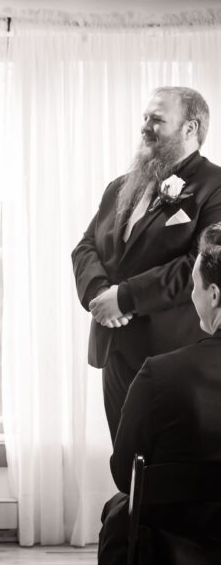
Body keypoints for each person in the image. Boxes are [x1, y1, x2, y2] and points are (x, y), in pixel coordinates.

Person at [73, 87, 221, 441]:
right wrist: (101, 297)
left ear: (190, 128)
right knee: (125, 467)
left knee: (168, 468)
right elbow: (85, 246)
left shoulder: (215, 187)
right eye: (145, 118)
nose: (145, 127)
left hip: (172, 355)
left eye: (157, 119)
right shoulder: (120, 187)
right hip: (115, 350)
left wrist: (125, 298)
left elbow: (199, 265)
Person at [98, 223, 221, 564]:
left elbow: (125, 474)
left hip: (177, 549)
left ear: (214, 295)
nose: (192, 296)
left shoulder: (159, 374)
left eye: (195, 286)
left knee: (119, 511)